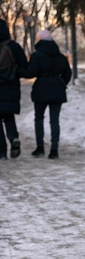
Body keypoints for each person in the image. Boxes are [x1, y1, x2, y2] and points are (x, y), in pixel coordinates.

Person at [23, 30, 72, 159]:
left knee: (39, 118)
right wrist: (60, 82)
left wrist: (18, 70)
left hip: (41, 90)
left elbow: (31, 73)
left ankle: (40, 148)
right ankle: (54, 150)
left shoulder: (37, 55)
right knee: (54, 120)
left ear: (39, 41)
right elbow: (68, 74)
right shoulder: (61, 56)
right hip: (57, 90)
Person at [0, 19, 28, 160]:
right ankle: (13, 138)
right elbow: (24, 68)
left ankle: (2, 152)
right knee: (8, 116)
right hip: (11, 88)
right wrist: (15, 72)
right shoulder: (14, 47)